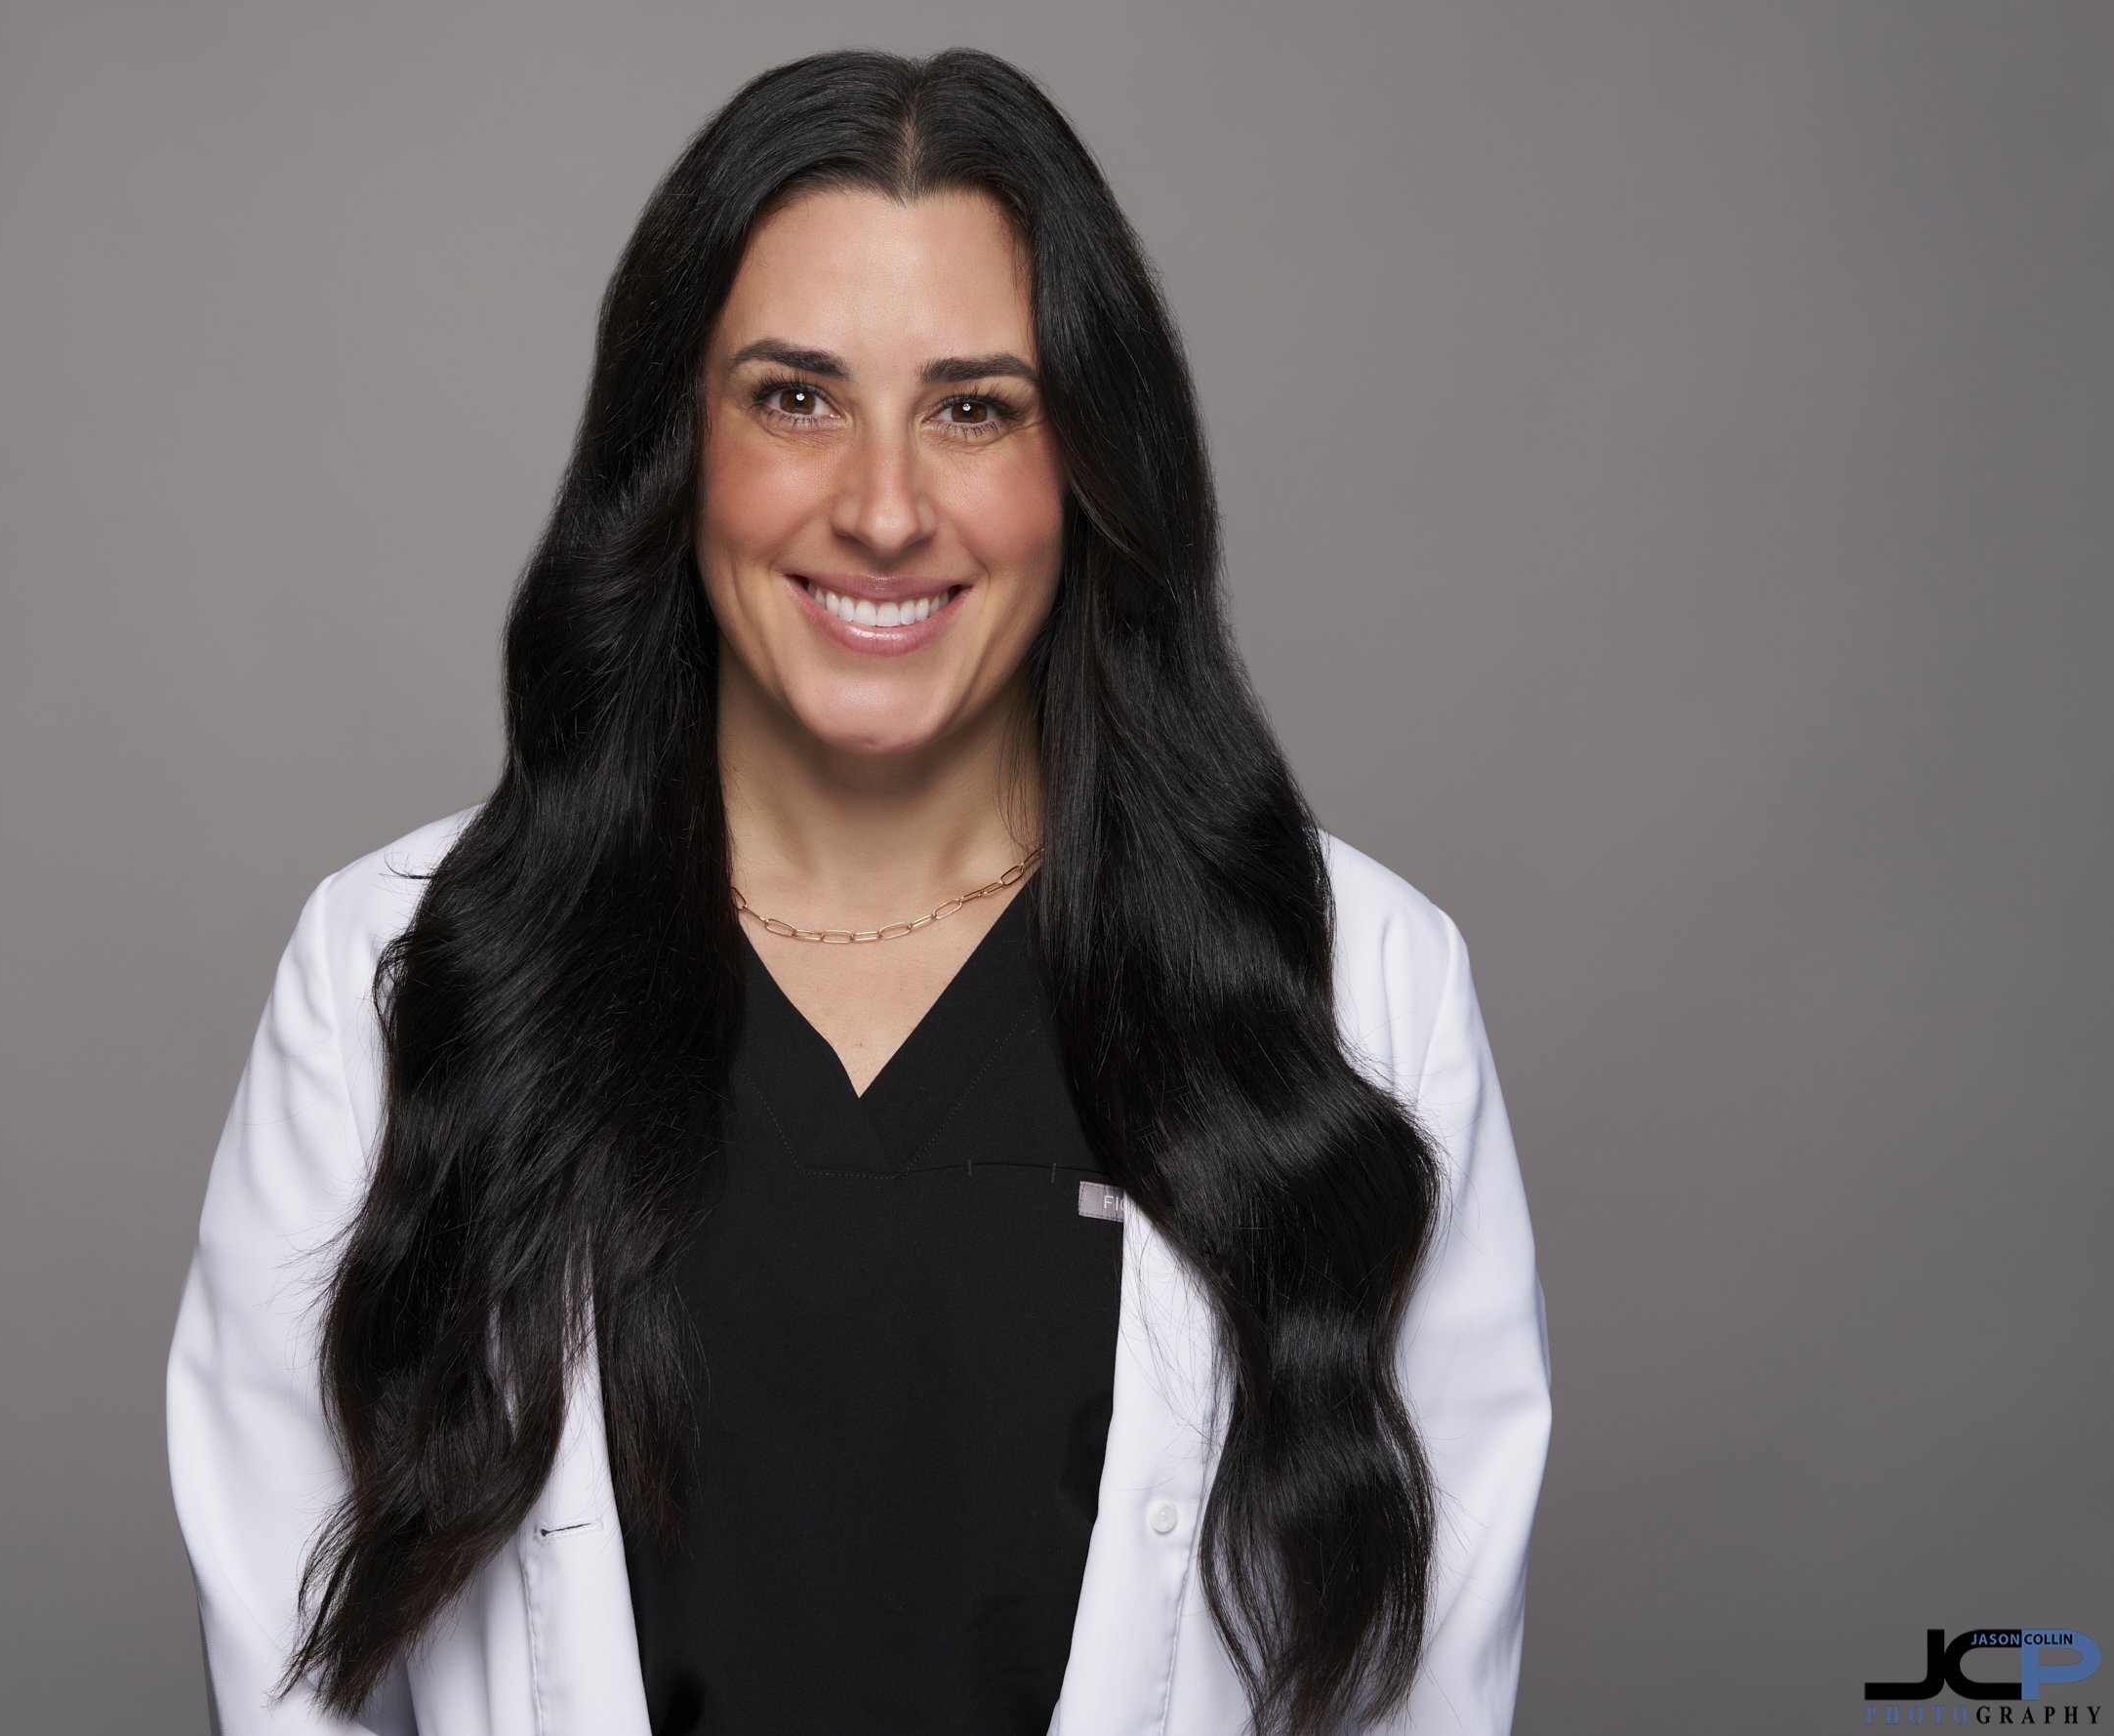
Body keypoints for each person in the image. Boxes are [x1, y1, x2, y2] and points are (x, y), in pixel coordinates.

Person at [166, 45, 1552, 1736]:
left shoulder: (1353, 991)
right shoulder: (399, 973)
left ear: (1088, 468)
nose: (883, 508)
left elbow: (1426, 1682)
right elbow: (293, 1676)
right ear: (677, 449)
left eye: (975, 408)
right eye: (795, 398)